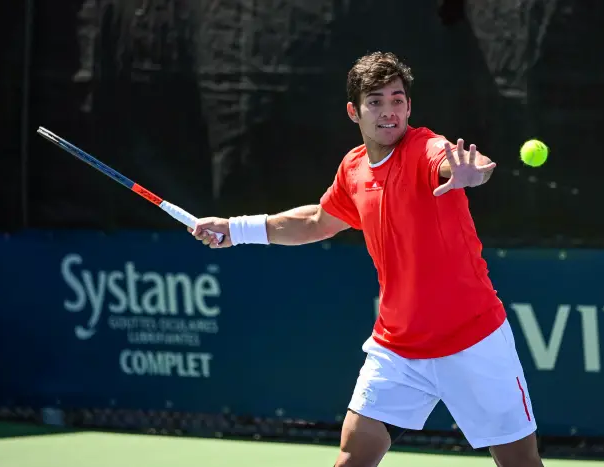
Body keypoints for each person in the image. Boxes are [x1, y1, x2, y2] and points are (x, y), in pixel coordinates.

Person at [190, 52, 543, 467]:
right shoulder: (354, 169)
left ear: (409, 106)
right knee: (352, 458)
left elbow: (463, 163)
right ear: (353, 111)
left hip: (473, 341)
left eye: (397, 99)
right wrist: (235, 229)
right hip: (399, 347)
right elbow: (318, 221)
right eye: (375, 101)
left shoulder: (426, 148)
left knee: (520, 463)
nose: (389, 111)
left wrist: (469, 173)